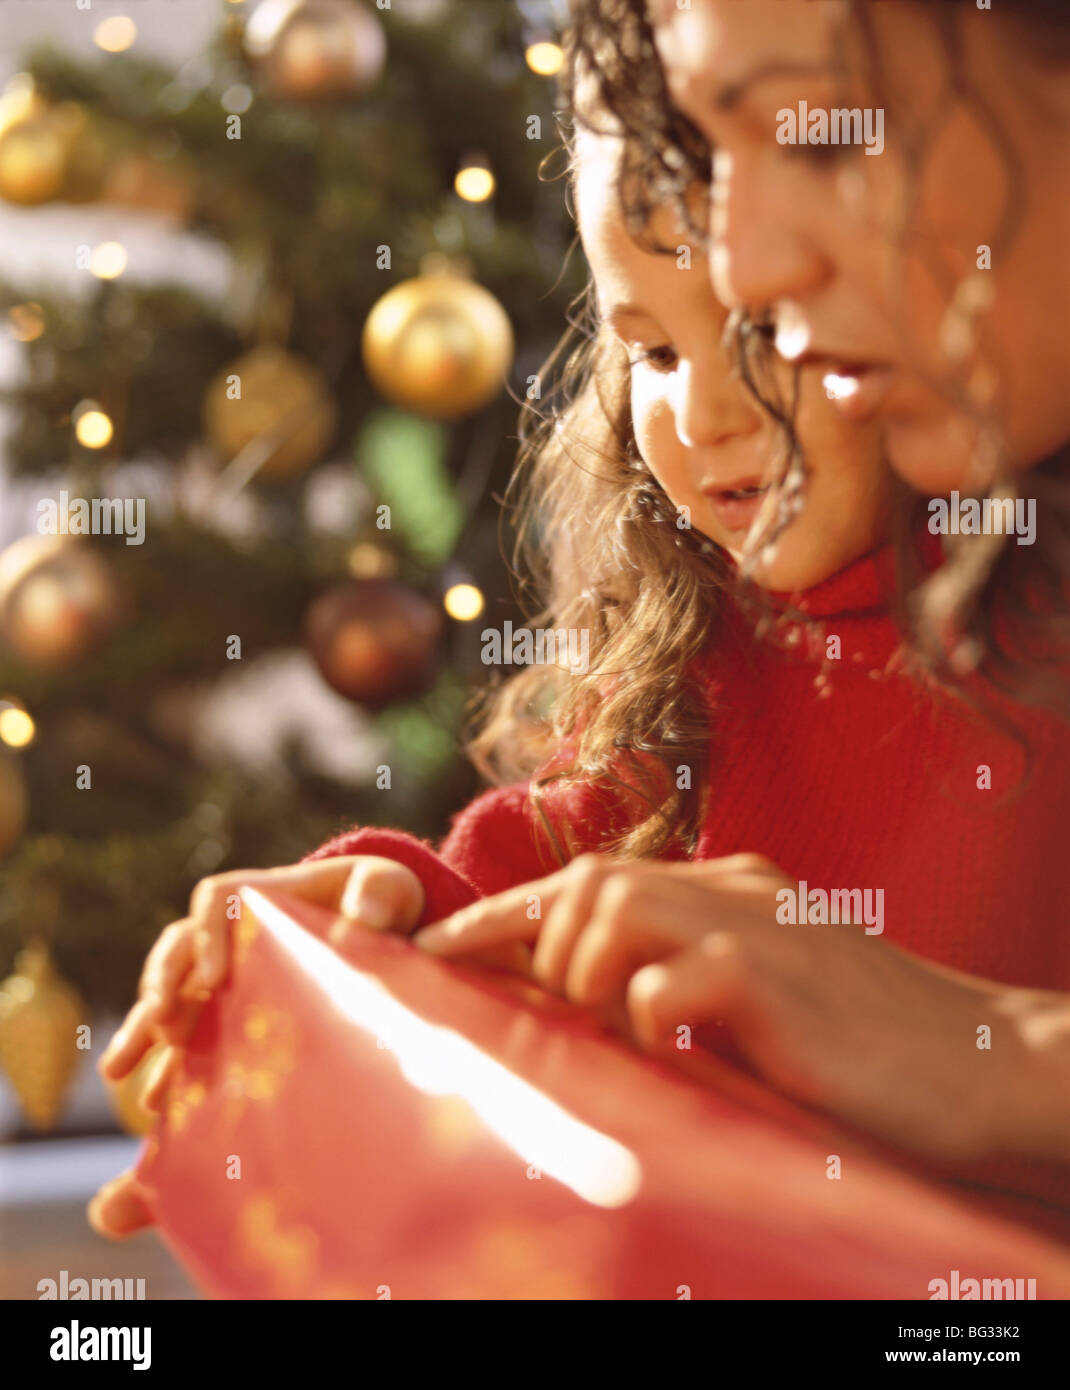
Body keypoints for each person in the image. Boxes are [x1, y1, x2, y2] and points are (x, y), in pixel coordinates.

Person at [90, 55, 1069, 1238]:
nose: (705, 416)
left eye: (764, 333)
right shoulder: (700, 627)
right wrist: (394, 917)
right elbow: (538, 886)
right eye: (653, 353)